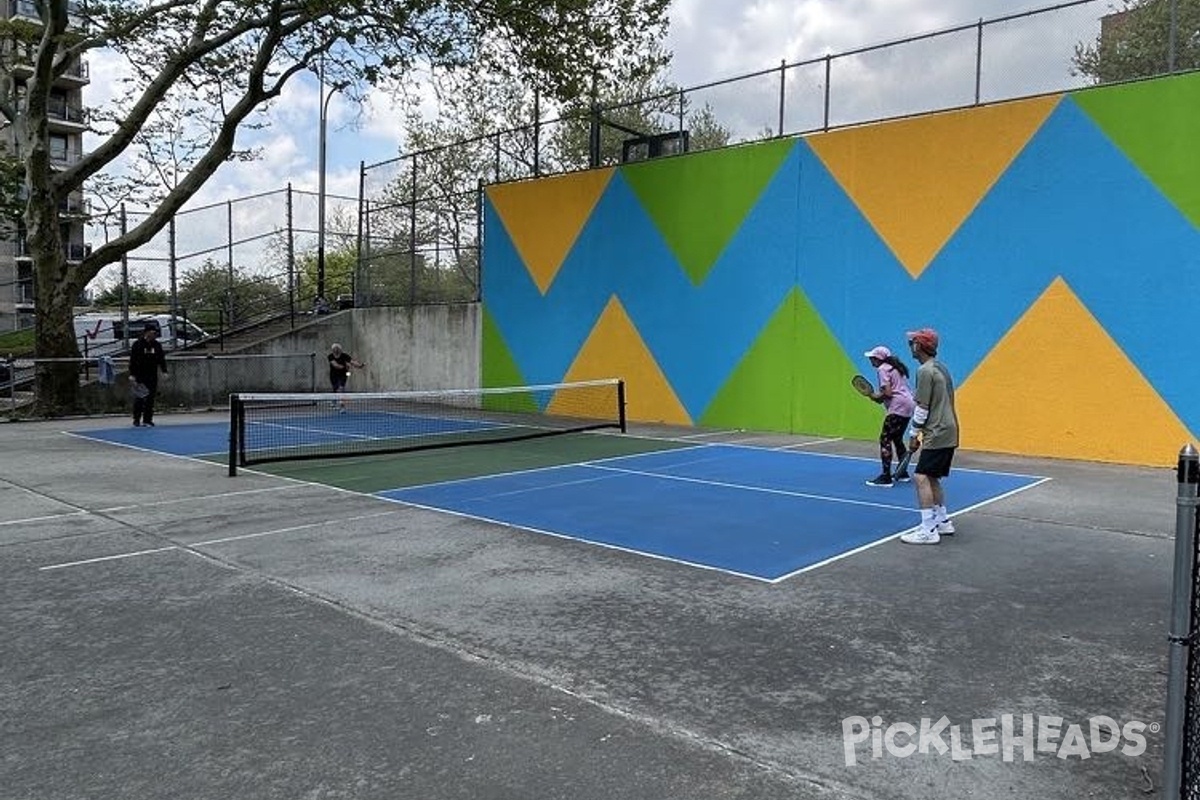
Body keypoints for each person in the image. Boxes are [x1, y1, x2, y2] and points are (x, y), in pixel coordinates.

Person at [899, 328, 960, 545]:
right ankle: (942, 522)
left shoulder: (925, 371)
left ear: (919, 346)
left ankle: (928, 530)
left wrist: (914, 434)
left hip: (937, 431)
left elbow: (922, 407)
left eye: (912, 343)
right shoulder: (940, 368)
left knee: (921, 477)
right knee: (932, 477)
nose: (910, 347)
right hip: (949, 430)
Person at [862, 345, 915, 487]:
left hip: (898, 406)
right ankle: (902, 473)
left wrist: (875, 396)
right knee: (897, 438)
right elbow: (890, 393)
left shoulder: (882, 369)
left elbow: (888, 393)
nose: (870, 360)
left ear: (877, 359)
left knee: (885, 439)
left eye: (872, 358)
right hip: (909, 405)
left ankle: (886, 477)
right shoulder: (895, 368)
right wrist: (877, 398)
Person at [129, 321, 168, 427]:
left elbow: (161, 359)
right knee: (140, 398)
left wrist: (164, 371)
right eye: (152, 332)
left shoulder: (156, 345)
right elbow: (133, 360)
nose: (154, 334)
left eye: (155, 332)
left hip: (152, 375)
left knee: (150, 398)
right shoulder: (138, 344)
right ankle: (136, 419)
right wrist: (132, 374)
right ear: (146, 332)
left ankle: (148, 419)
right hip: (140, 375)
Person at [327, 343, 365, 411]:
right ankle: (334, 401)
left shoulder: (344, 356)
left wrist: (359, 365)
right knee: (335, 388)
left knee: (341, 389)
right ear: (332, 350)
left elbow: (352, 362)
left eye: (337, 348)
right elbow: (335, 365)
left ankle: (342, 406)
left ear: (340, 349)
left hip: (343, 374)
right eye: (334, 348)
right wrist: (345, 366)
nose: (336, 350)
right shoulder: (330, 356)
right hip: (333, 375)